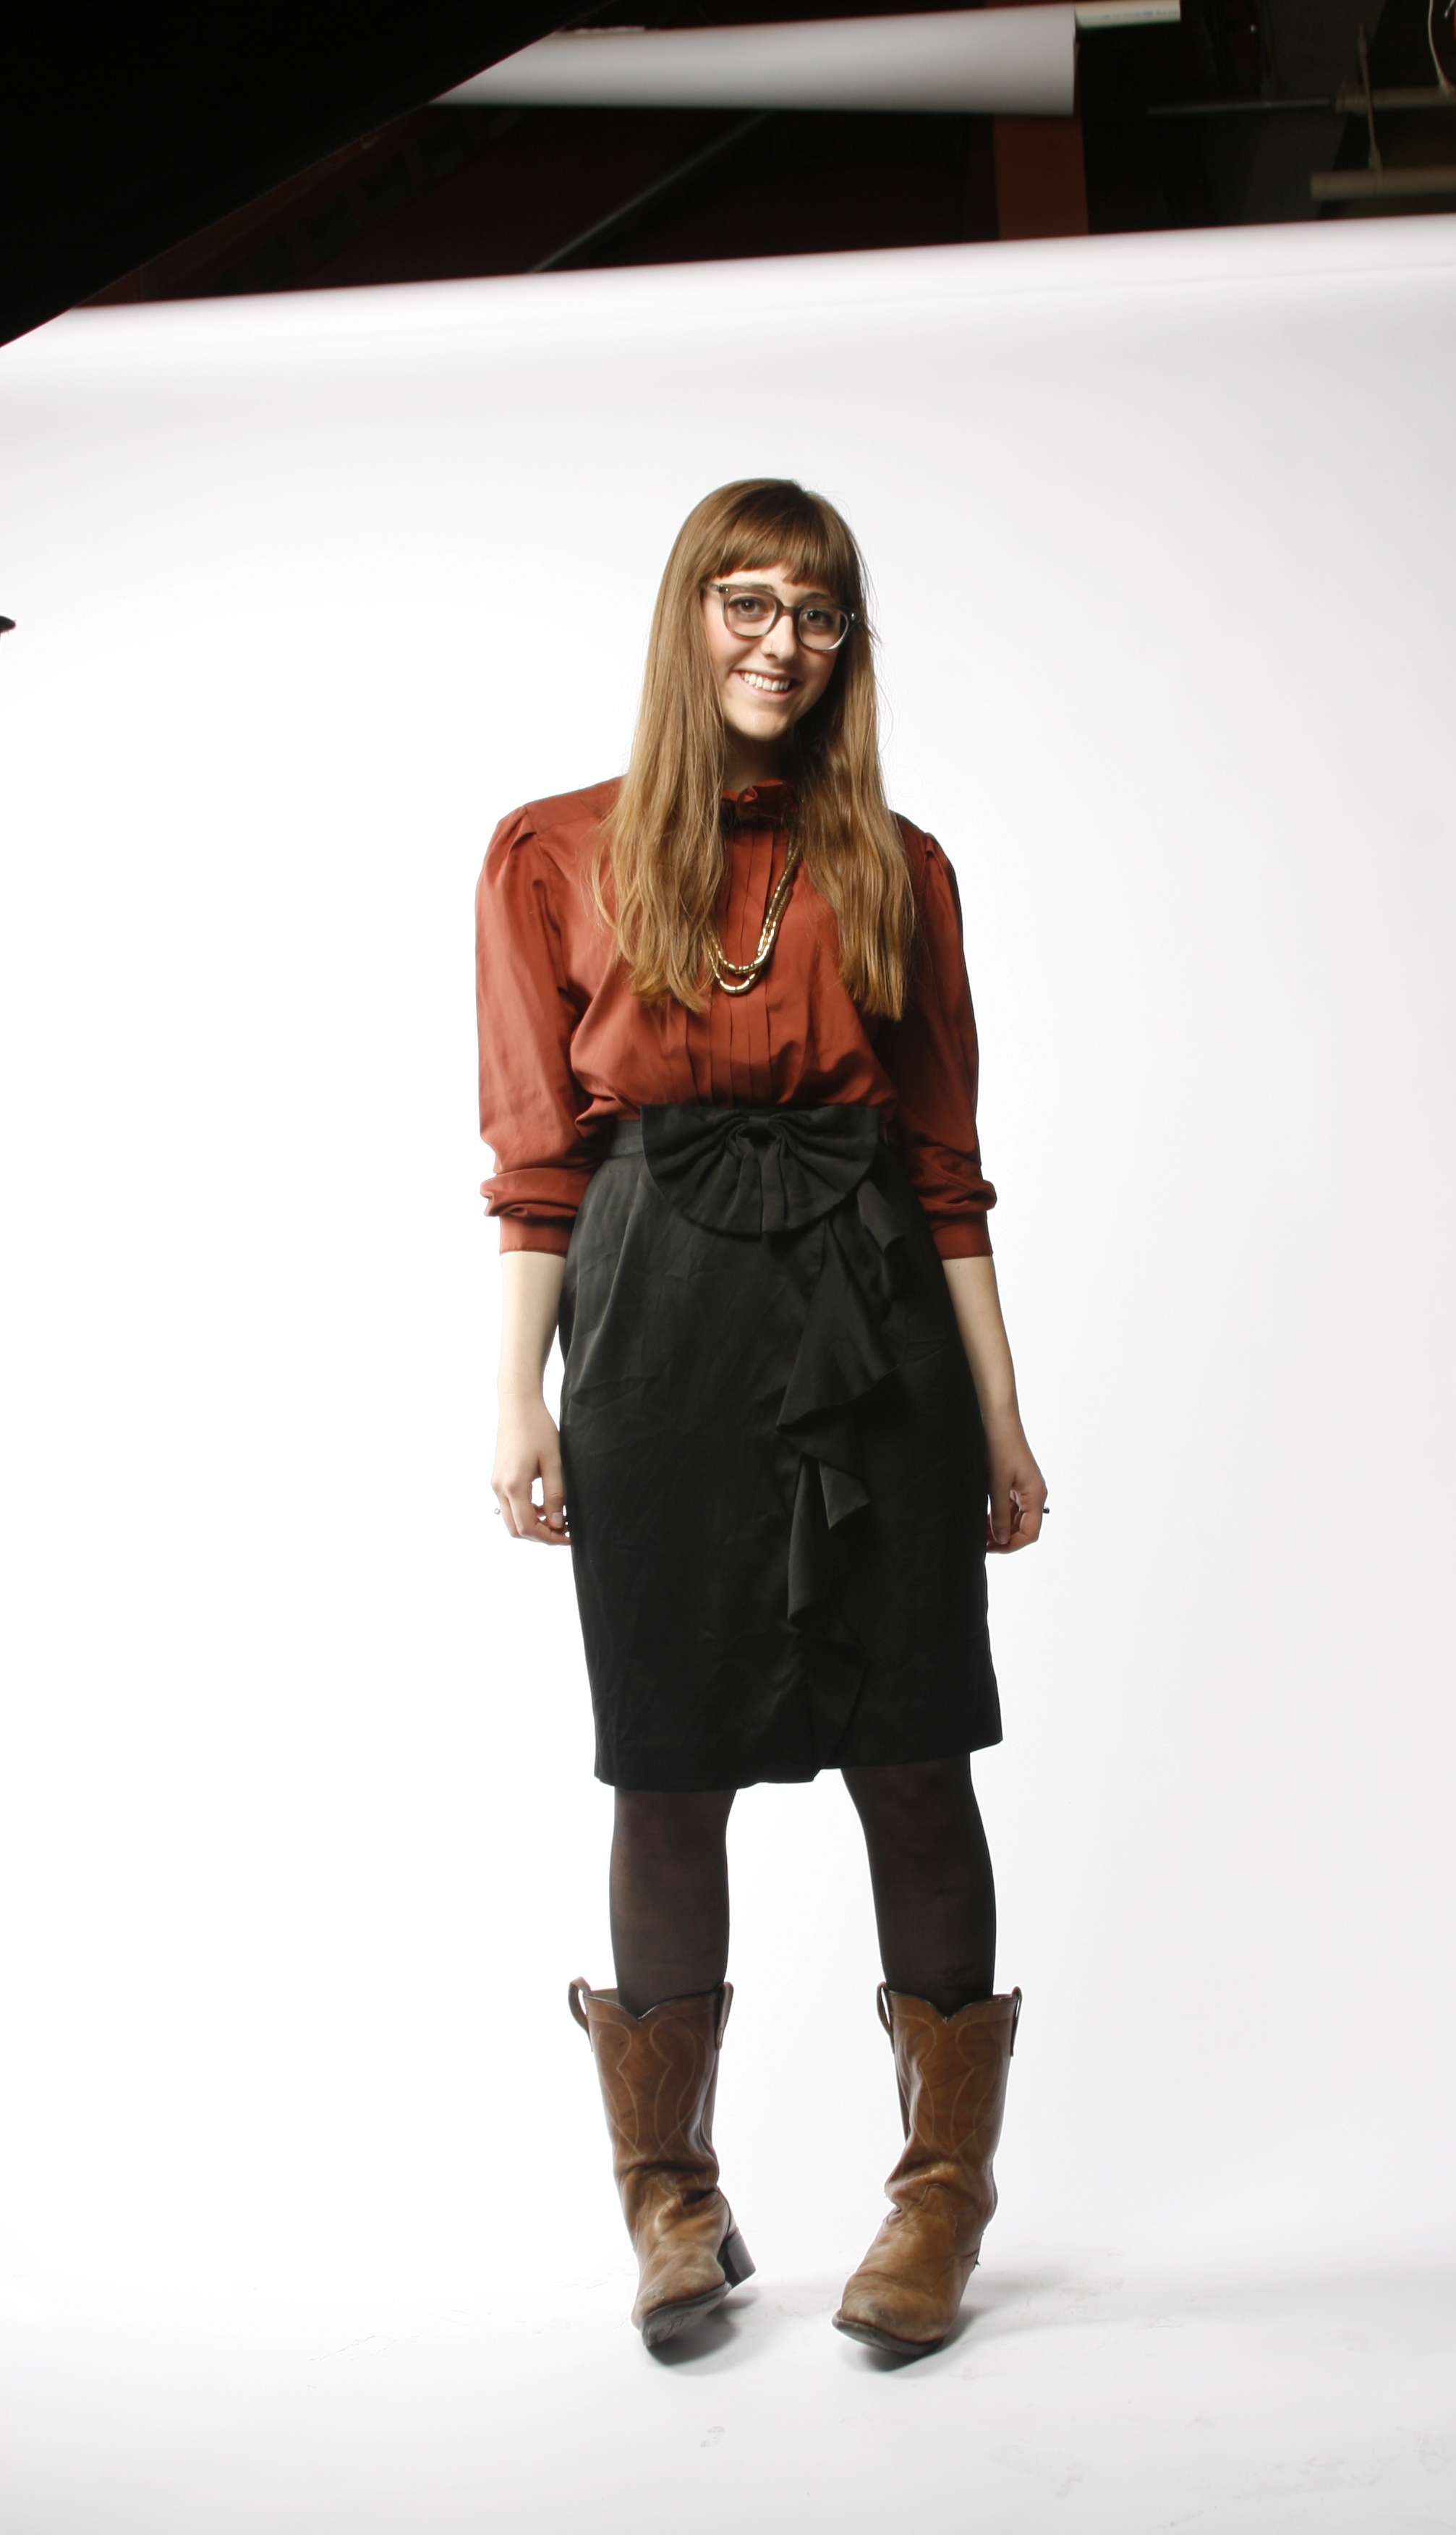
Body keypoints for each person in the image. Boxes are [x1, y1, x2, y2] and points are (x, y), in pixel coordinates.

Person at [475, 478, 1046, 2358]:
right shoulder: (550, 853)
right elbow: (538, 1161)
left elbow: (947, 1165)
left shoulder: (901, 865)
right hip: (653, 1322)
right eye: (747, 601)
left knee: (916, 1749)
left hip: (878, 1319)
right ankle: (672, 2204)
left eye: (817, 611)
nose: (783, 642)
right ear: (688, 616)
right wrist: (516, 1395)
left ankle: (939, 2202)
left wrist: (1003, 1413)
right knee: (666, 1759)